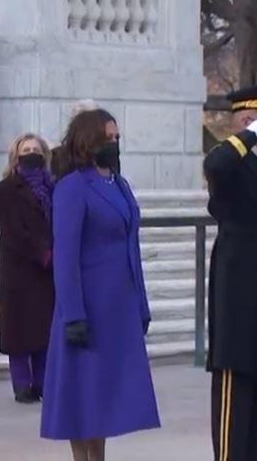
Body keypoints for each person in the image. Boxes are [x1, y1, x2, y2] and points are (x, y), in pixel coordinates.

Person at [40, 110, 160, 460]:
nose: (114, 144)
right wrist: (73, 313)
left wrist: (140, 304)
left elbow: (131, 247)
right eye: (108, 137)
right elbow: (66, 255)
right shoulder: (73, 187)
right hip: (87, 307)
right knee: (83, 395)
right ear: (89, 140)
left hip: (118, 306)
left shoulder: (119, 184)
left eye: (118, 138)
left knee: (106, 396)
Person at [203, 82, 257, 461]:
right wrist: (247, 134)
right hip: (237, 292)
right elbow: (215, 164)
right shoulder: (232, 161)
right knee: (235, 396)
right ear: (249, 119)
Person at [0, 133, 55, 403]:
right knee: (19, 330)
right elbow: (14, 230)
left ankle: (44, 382)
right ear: (16, 156)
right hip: (19, 267)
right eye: (26, 149)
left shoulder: (53, 188)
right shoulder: (6, 189)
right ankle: (22, 384)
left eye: (36, 149)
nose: (31, 153)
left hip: (47, 270)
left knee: (44, 328)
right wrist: (43, 253)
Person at [51, 106, 119, 180]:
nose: (114, 142)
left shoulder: (118, 181)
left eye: (116, 137)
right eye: (108, 138)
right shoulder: (71, 184)